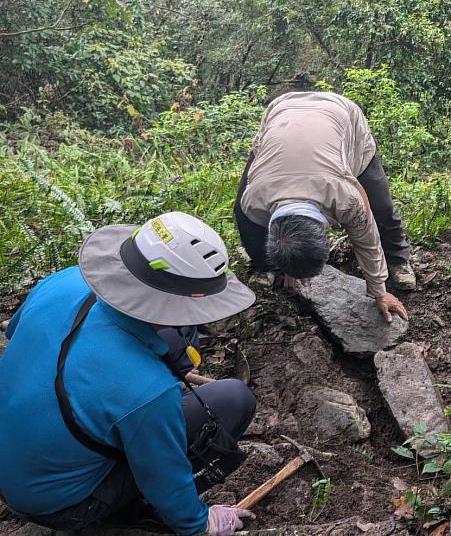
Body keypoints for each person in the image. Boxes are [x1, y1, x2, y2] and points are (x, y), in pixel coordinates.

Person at [0, 212, 258, 536]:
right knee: (233, 400)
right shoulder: (146, 391)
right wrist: (201, 523)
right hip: (56, 505)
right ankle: (127, 514)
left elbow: (16, 335)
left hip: (15, 462)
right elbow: (161, 475)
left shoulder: (64, 281)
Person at [234, 88, 414, 323]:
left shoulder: (345, 198)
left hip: (341, 115)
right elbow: (278, 232)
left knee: (381, 208)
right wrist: (288, 264)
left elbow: (366, 239)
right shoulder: (252, 201)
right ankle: (265, 267)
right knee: (240, 213)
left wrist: (379, 291)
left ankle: (398, 260)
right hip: (280, 112)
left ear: (323, 236)